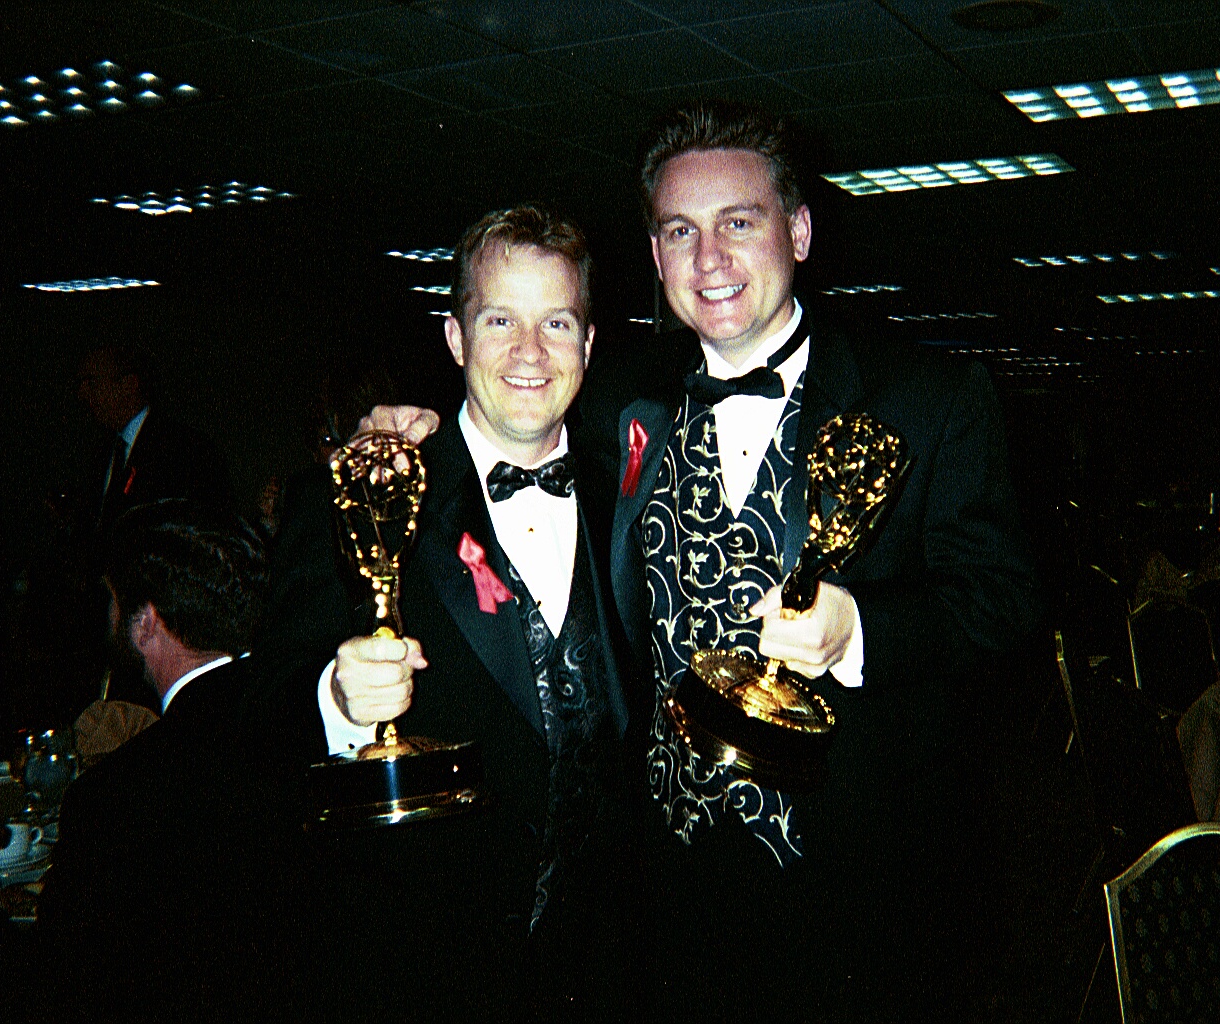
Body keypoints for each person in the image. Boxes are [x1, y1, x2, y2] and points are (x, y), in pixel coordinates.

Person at [363, 101, 1037, 1019]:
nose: (709, 259)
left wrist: (860, 631)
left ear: (798, 231)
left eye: (739, 223)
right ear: (655, 256)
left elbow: (1004, 605)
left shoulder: (927, 397)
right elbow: (508, 412)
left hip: (857, 880)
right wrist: (406, 434)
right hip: (664, 892)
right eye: (681, 231)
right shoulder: (620, 405)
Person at [256, 204, 637, 1020]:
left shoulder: (637, 495)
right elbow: (257, 718)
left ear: (590, 343)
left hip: (597, 963)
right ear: (457, 337)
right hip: (413, 966)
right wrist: (334, 698)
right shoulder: (362, 486)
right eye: (499, 319)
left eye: (557, 322)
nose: (530, 353)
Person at [0, 500, 274, 1024]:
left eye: (115, 601)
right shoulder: (307, 725)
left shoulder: (119, 797)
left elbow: (43, 1000)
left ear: (146, 623)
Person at [75, 344, 232, 534]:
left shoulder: (183, 448)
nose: (82, 394)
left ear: (129, 386)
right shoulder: (101, 454)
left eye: (92, 383)